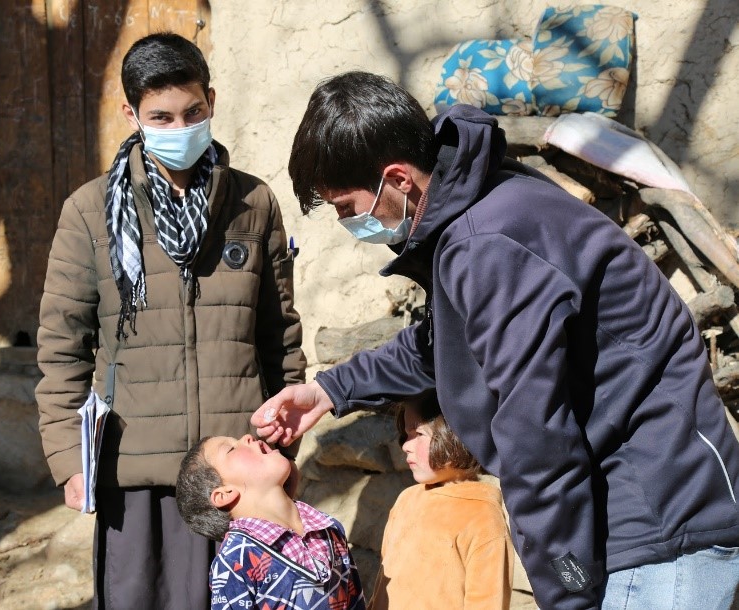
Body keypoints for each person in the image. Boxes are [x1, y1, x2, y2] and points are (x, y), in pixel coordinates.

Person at [251, 71, 739, 609]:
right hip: (640, 514)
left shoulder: (488, 242)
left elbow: (536, 437)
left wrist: (568, 590)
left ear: (398, 179)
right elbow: (445, 342)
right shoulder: (483, 209)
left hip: (659, 520)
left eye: (347, 207)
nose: (349, 224)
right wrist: (328, 392)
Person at [36, 33, 305, 609]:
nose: (180, 128)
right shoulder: (88, 213)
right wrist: (66, 458)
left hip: (234, 476)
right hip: (134, 476)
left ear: (211, 100)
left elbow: (279, 334)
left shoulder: (253, 204)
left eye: (193, 113)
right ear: (131, 114)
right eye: (161, 117)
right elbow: (63, 348)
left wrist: (284, 444)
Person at [176, 433, 366, 610]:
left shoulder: (327, 526)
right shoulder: (236, 561)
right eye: (231, 449)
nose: (247, 436)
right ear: (224, 494)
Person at [369, 396, 513, 610]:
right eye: (406, 435)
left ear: (456, 436)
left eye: (418, 434)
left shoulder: (482, 515)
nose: (405, 446)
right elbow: (383, 585)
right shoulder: (406, 500)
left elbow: (488, 602)